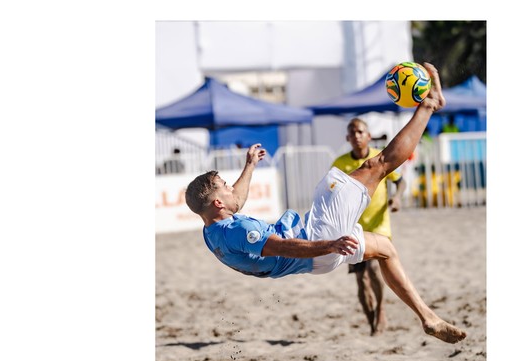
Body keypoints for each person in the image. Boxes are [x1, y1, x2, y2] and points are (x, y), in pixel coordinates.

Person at [185, 62, 466, 344]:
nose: (233, 187)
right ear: (218, 203)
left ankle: (428, 317)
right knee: (378, 165)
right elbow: (284, 246)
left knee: (386, 249)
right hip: (316, 239)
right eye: (226, 186)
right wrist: (330, 244)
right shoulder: (239, 231)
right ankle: (430, 105)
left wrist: (249, 166)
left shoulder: (213, 230)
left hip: (315, 253)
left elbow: (237, 203)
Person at [331, 118, 407, 336]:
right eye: (352, 132)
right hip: (351, 227)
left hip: (379, 225)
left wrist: (398, 198)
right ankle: (371, 321)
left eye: (360, 132)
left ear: (368, 136)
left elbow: (400, 181)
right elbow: (331, 191)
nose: (356, 136)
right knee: (360, 279)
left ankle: (381, 308)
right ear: (347, 138)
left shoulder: (379, 158)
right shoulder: (340, 163)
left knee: (374, 269)